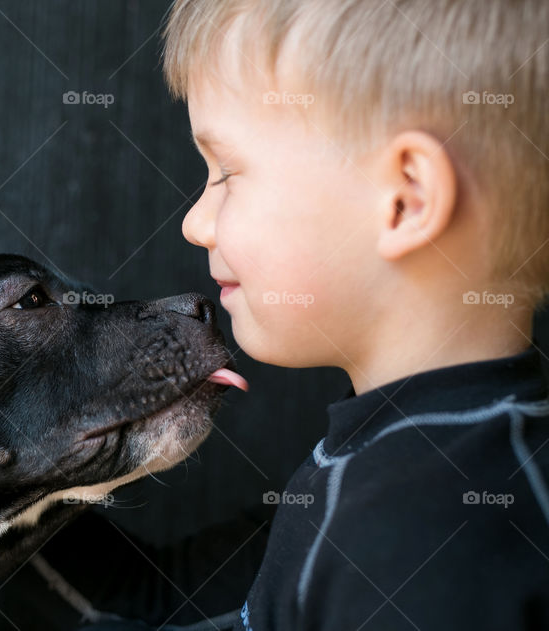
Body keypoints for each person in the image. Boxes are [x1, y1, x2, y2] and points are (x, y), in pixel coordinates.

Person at [150, 0, 549, 629]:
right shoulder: (400, 459)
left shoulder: (427, 540)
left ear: (404, 200)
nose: (194, 223)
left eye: (227, 173)